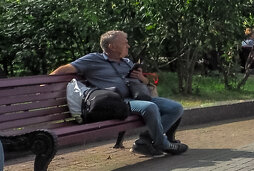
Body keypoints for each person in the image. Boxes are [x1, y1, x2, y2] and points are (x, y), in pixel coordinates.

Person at [50, 30, 187, 157]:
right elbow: (66, 68)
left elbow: (144, 82)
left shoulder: (127, 62)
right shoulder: (93, 59)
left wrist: (141, 78)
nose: (128, 45)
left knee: (176, 108)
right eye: (124, 43)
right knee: (149, 107)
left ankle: (145, 140)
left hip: (136, 97)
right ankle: (162, 144)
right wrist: (46, 82)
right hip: (117, 102)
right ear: (112, 46)